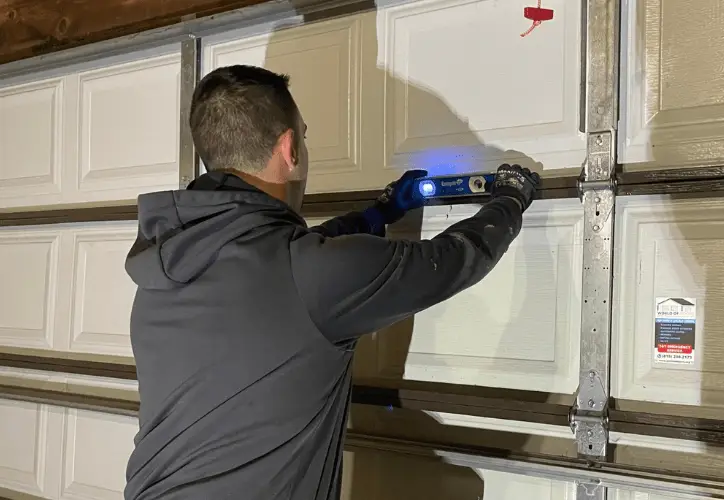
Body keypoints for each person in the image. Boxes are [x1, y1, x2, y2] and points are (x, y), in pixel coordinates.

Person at [123, 64, 540, 500]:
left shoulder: (165, 268)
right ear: (289, 149)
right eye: (304, 135)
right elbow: (449, 261)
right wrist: (510, 198)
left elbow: (294, 263)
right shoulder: (306, 274)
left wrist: (379, 214)